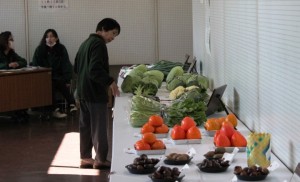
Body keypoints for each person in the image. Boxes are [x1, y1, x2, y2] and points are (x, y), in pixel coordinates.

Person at [74, 18, 120, 169]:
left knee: (85, 125)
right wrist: (110, 81)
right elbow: (94, 69)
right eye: (112, 33)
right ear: (102, 29)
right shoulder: (99, 44)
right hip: (94, 92)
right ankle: (100, 159)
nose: (113, 38)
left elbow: (76, 68)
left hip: (82, 91)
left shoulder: (84, 44)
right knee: (99, 126)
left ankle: (85, 157)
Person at [31, 29, 77, 119]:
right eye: (47, 36)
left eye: (52, 36)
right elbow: (35, 64)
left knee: (60, 81)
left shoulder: (61, 49)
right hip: (44, 78)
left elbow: (66, 64)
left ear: (56, 38)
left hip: (58, 76)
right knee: (50, 83)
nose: (49, 39)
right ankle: (56, 109)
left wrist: (67, 79)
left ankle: (71, 105)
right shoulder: (40, 49)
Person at [0, 31, 29, 122]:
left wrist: (17, 63)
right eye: (10, 40)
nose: (12, 41)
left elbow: (23, 61)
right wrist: (8, 65)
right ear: (4, 41)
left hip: (11, 81)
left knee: (21, 87)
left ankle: (20, 110)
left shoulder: (12, 53)